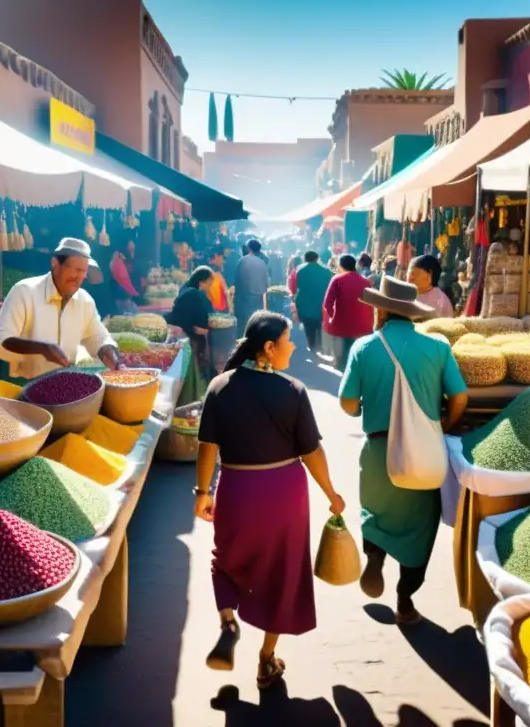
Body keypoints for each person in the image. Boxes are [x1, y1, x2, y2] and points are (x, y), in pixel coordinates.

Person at [195, 311, 345, 688]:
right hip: (284, 494)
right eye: (288, 339)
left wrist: (202, 493)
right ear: (268, 348)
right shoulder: (292, 390)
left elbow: (206, 446)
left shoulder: (219, 386)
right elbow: (311, 452)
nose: (292, 346)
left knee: (226, 560)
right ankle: (265, 660)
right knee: (283, 573)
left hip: (237, 489)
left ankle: (228, 619)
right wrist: (331, 493)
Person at [339, 277, 469, 624]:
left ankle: (376, 558)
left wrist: (360, 409)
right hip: (424, 453)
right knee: (420, 527)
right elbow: (460, 397)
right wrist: (445, 424)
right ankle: (405, 600)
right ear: (412, 313)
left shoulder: (364, 348)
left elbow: (347, 402)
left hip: (379, 451)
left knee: (375, 513)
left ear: (380, 309)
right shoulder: (438, 348)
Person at [0, 237, 123, 381]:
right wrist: (42, 348)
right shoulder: (24, 291)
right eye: (76, 269)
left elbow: (97, 337)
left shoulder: (84, 300)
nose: (79, 277)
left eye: (84, 271)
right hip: (23, 384)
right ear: (55, 264)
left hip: (64, 384)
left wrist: (109, 351)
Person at [168, 266, 215, 402]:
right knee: (192, 370)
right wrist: (206, 331)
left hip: (178, 333)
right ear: (201, 282)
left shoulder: (186, 289)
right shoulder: (195, 294)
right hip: (188, 336)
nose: (210, 287)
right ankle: (192, 396)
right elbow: (194, 321)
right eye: (209, 283)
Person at [323, 254, 373, 370]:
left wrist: (331, 318)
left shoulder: (337, 279)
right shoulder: (365, 281)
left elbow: (327, 303)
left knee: (343, 356)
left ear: (340, 266)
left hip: (343, 323)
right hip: (363, 324)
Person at [293, 251, 333, 353]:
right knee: (319, 323)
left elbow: (298, 287)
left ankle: (311, 345)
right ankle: (319, 344)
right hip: (320, 301)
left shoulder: (300, 271)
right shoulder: (326, 271)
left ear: (305, 259)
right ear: (317, 258)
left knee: (308, 325)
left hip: (305, 302)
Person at [233, 239, 270, 330]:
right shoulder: (262, 263)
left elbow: (238, 282)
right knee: (256, 325)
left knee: (244, 327)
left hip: (245, 300)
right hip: (259, 300)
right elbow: (266, 284)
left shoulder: (243, 261)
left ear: (249, 248)